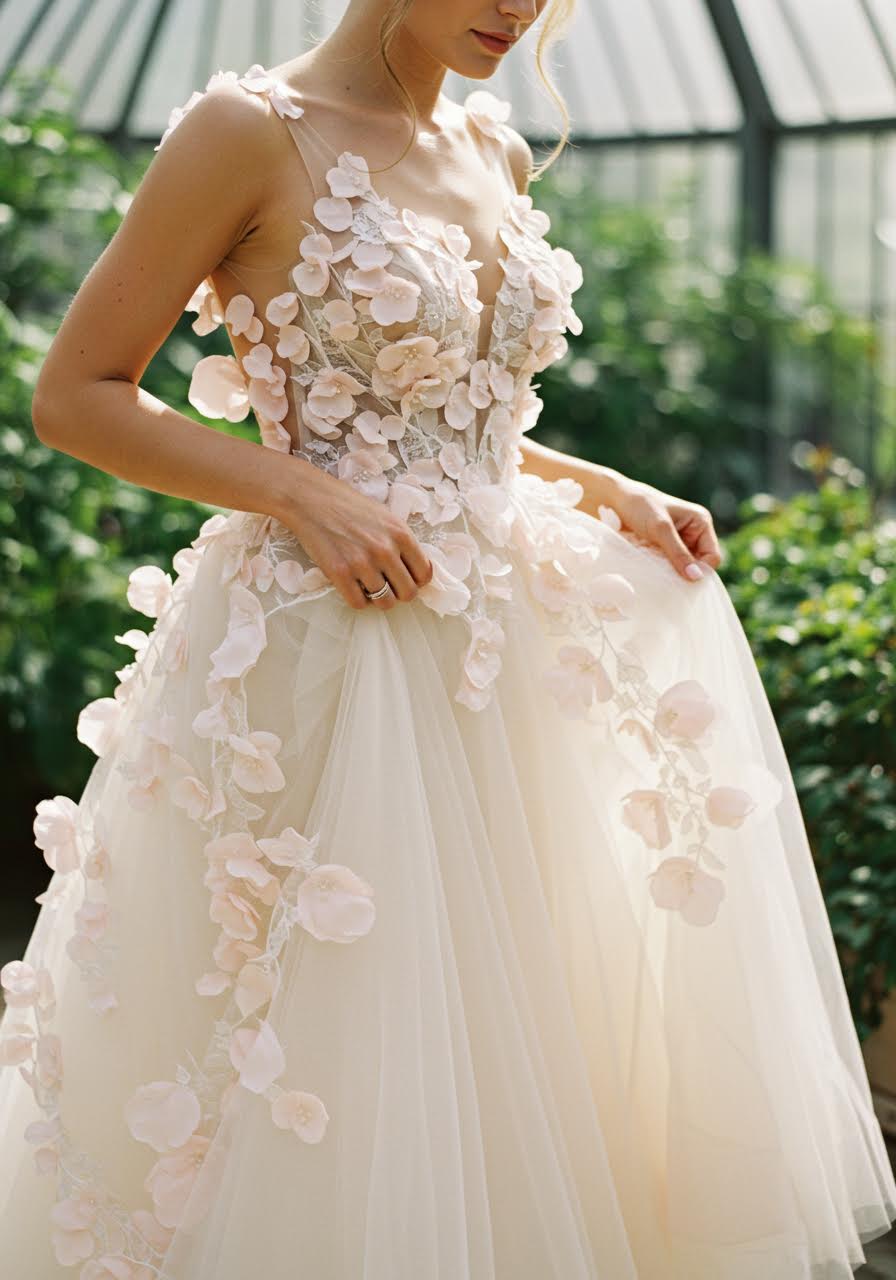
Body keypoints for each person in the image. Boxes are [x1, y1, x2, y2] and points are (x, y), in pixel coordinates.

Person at [1, 1, 894, 1275]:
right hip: (331, 654)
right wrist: (296, 489)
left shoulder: (497, 150)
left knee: (525, 1037)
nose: (514, 7)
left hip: (512, 661)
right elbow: (74, 394)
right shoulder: (245, 131)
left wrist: (604, 485)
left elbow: (455, 429)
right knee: (331, 1037)